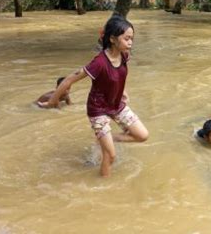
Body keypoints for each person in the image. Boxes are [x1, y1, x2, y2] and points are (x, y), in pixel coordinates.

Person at [39, 16, 149, 177]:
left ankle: (105, 139)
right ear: (112, 39)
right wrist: (52, 102)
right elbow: (70, 79)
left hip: (116, 104)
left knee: (142, 135)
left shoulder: (124, 55)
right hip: (98, 109)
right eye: (126, 39)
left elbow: (119, 75)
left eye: (132, 38)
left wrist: (123, 91)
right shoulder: (99, 63)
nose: (130, 42)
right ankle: (103, 187)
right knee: (110, 155)